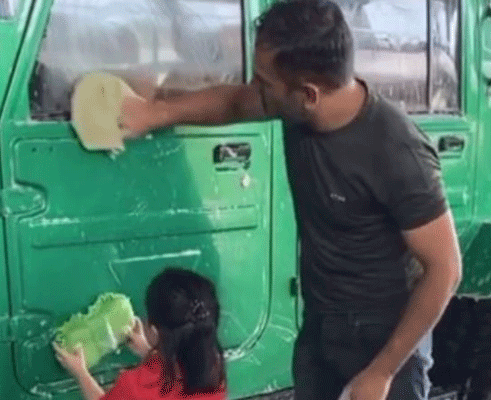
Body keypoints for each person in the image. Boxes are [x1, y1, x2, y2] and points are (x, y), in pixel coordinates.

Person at [117, 1, 462, 400]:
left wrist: (382, 373)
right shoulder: (297, 106)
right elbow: (232, 102)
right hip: (321, 329)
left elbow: (445, 269)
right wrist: (154, 112)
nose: (254, 87)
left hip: (385, 341)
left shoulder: (396, 150)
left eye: (264, 82)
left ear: (309, 94)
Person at [54, 267, 226, 400]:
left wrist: (80, 372)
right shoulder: (213, 368)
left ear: (154, 331)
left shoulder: (135, 388)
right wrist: (146, 350)